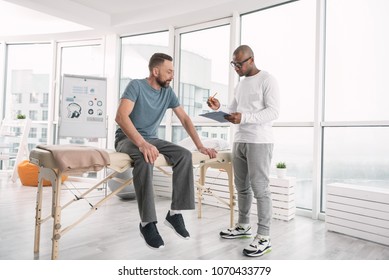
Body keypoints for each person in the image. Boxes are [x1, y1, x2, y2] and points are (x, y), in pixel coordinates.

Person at [115, 52, 217, 249]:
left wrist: (200, 146)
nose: (172, 75)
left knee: (184, 155)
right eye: (169, 71)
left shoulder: (167, 93)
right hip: (127, 138)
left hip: (151, 139)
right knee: (146, 158)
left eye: (173, 72)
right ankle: (147, 223)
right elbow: (121, 117)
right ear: (155, 71)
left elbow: (185, 119)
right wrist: (142, 144)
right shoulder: (136, 86)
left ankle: (175, 214)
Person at [207, 45, 280, 257]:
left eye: (239, 64)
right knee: (241, 187)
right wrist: (218, 108)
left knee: (260, 188)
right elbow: (232, 112)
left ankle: (264, 237)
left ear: (251, 59)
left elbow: (274, 112)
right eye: (233, 64)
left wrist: (244, 117)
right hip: (240, 139)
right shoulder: (240, 85)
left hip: (259, 141)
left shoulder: (267, 80)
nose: (236, 68)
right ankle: (243, 226)